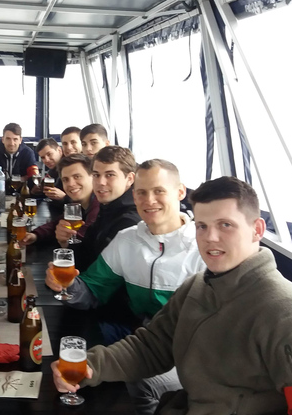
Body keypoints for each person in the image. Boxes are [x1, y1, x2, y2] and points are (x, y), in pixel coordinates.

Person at [52, 176, 292, 415]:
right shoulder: (198, 287)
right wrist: (90, 366)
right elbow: (151, 346)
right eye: (202, 226)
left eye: (226, 225)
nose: (211, 238)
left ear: (257, 229)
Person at [46, 159, 206, 415]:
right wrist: (67, 285)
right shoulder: (127, 239)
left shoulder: (204, 247)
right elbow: (93, 289)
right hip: (144, 340)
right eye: (142, 192)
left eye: (159, 191)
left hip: (192, 352)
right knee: (69, 350)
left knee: (141, 380)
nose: (149, 200)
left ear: (180, 192)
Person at [58, 146, 141, 271]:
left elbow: (100, 274)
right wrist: (64, 243)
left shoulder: (130, 221)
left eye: (110, 175)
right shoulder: (107, 207)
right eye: (96, 175)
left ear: (129, 179)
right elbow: (87, 253)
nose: (100, 182)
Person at [22, 153, 98, 246]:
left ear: (93, 177)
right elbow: (56, 224)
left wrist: (64, 244)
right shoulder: (77, 204)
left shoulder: (98, 206)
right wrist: (35, 235)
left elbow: (85, 243)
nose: (70, 184)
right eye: (65, 179)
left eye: (77, 177)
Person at [35, 137, 66, 202]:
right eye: (43, 157)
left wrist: (64, 197)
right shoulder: (52, 171)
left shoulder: (69, 168)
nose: (46, 160)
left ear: (59, 151)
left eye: (49, 154)